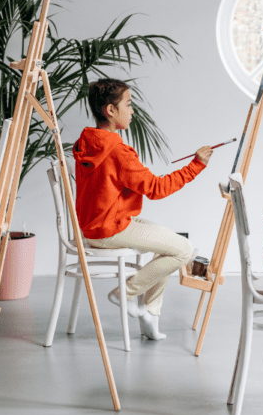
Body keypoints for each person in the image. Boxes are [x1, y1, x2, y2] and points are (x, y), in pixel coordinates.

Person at [73, 78, 212, 340]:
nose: (132, 110)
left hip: (94, 224)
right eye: (128, 104)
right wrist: (196, 165)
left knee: (169, 243)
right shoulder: (116, 151)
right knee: (184, 249)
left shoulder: (89, 140)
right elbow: (157, 188)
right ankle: (125, 293)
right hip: (108, 229)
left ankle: (150, 314)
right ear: (110, 111)